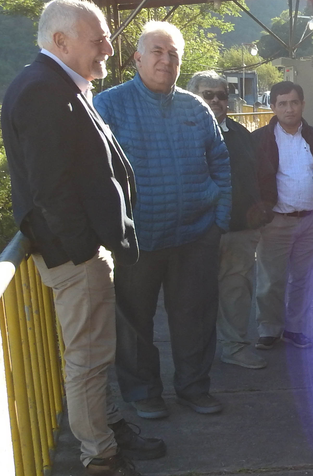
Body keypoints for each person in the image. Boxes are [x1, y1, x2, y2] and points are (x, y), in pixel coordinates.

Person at [0, 0, 168, 476]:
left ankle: (109, 433)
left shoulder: (58, 85)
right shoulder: (42, 91)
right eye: (97, 40)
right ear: (60, 42)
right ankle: (101, 461)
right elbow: (49, 187)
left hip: (80, 249)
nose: (107, 48)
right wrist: (81, 251)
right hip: (73, 255)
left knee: (96, 353)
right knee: (89, 359)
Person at [95, 23, 231, 420]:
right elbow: (94, 171)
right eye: (157, 51)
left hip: (195, 235)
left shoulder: (196, 107)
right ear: (137, 57)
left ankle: (193, 388)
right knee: (135, 323)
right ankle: (142, 392)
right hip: (138, 239)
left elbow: (221, 164)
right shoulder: (110, 105)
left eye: (174, 54)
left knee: (195, 318)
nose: (166, 60)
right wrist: (111, 228)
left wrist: (218, 221)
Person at [186, 70, 268, 370]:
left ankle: (234, 347)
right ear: (193, 96)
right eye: (209, 94)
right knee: (194, 295)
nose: (217, 100)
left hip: (237, 231)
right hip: (194, 232)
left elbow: (258, 176)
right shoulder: (179, 132)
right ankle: (194, 356)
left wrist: (257, 219)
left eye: (222, 95)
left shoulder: (241, 135)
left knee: (236, 292)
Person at [252, 81, 313, 351]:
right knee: (271, 281)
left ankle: (295, 329)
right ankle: (269, 329)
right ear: (273, 106)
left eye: (294, 102)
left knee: (305, 279)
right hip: (276, 222)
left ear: (302, 104)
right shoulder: (260, 141)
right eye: (283, 103)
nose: (289, 108)